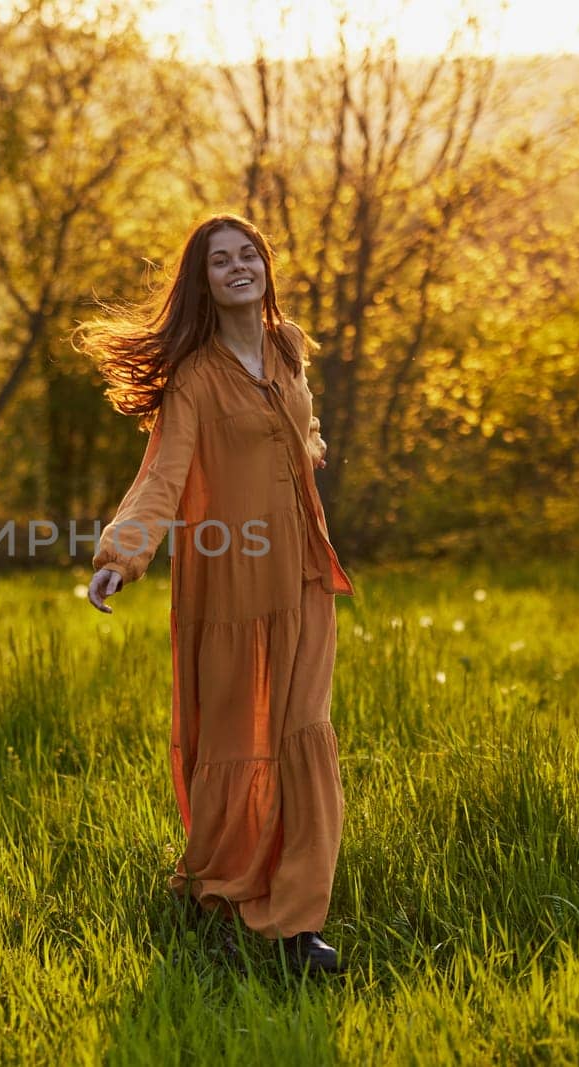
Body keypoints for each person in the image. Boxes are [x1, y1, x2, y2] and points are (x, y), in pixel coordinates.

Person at [75, 213, 356, 975]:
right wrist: (122, 554)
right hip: (231, 581)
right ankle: (222, 891)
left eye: (249, 254)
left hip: (301, 571)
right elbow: (163, 475)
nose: (239, 267)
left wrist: (305, 447)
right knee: (238, 743)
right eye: (221, 260)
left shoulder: (287, 346)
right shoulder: (194, 376)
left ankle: (299, 924)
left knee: (304, 734)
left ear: (265, 266)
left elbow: (296, 430)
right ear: (202, 281)